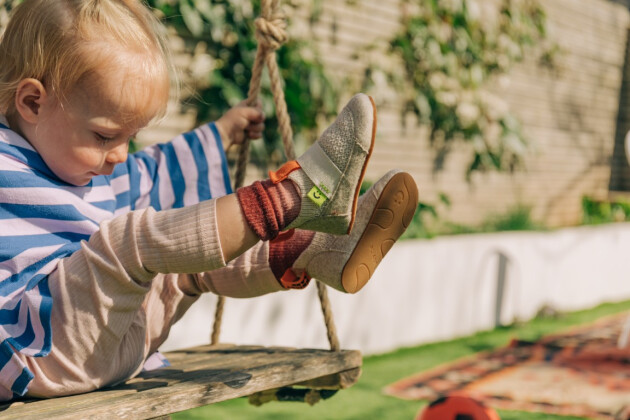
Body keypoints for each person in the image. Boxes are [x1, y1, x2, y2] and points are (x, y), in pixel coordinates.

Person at [0, 0, 419, 400]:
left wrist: (220, 133)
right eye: (106, 135)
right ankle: (295, 195)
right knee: (131, 241)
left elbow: (156, 169)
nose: (120, 154)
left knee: (184, 268)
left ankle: (314, 250)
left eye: (130, 136)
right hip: (35, 350)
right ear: (33, 102)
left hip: (114, 341)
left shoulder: (96, 172)